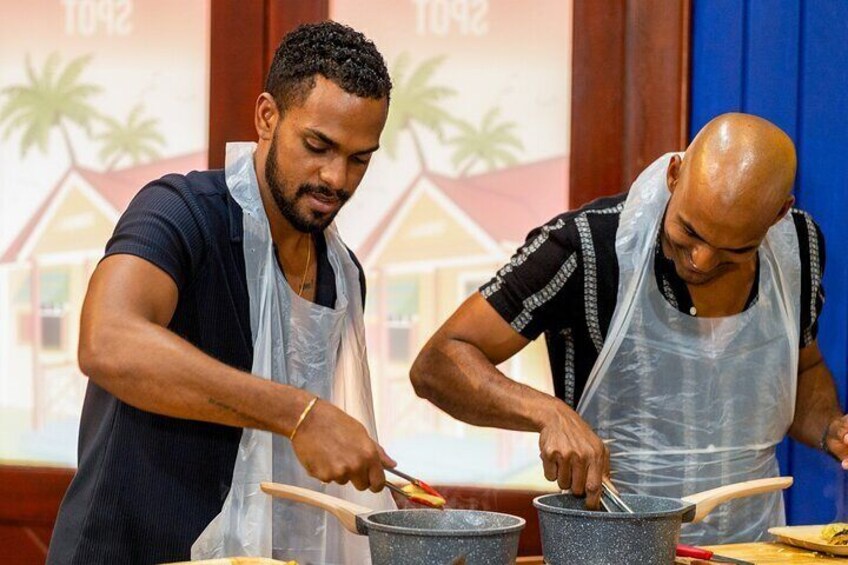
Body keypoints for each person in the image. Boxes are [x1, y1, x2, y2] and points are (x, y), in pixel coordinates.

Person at [410, 113, 847, 545]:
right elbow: (438, 363)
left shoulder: (799, 248)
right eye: (689, 232)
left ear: (779, 214)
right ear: (674, 173)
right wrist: (548, 413)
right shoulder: (584, 247)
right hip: (611, 547)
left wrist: (831, 429)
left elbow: (801, 369)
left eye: (734, 250)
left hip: (753, 548)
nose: (701, 261)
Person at [47, 21, 394, 565]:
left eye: (359, 159)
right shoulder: (181, 212)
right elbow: (107, 341)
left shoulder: (342, 276)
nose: (336, 178)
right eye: (318, 145)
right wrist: (300, 413)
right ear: (267, 117)